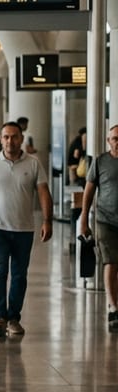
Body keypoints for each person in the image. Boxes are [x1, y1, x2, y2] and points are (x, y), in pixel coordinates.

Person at [0, 122, 52, 340]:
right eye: (5, 137)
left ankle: (14, 317)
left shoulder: (33, 164)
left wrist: (48, 220)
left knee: (19, 275)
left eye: (14, 137)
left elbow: (43, 192)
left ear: (21, 138)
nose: (9, 141)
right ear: (0, 139)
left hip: (23, 229)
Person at [80, 125, 118, 331]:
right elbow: (89, 191)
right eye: (115, 139)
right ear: (108, 140)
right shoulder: (100, 162)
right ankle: (113, 307)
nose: (117, 142)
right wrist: (84, 218)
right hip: (106, 220)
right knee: (110, 263)